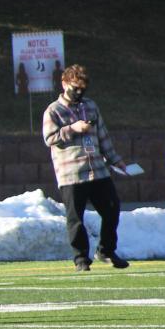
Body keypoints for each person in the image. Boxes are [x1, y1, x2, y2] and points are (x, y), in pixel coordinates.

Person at [42, 65, 129, 272]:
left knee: (112, 208)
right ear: (64, 85)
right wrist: (72, 128)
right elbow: (49, 138)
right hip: (71, 174)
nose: (79, 93)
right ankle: (81, 258)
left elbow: (102, 135)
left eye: (83, 89)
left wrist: (115, 160)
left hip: (97, 169)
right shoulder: (53, 110)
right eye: (75, 88)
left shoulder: (91, 106)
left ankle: (106, 250)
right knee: (76, 219)